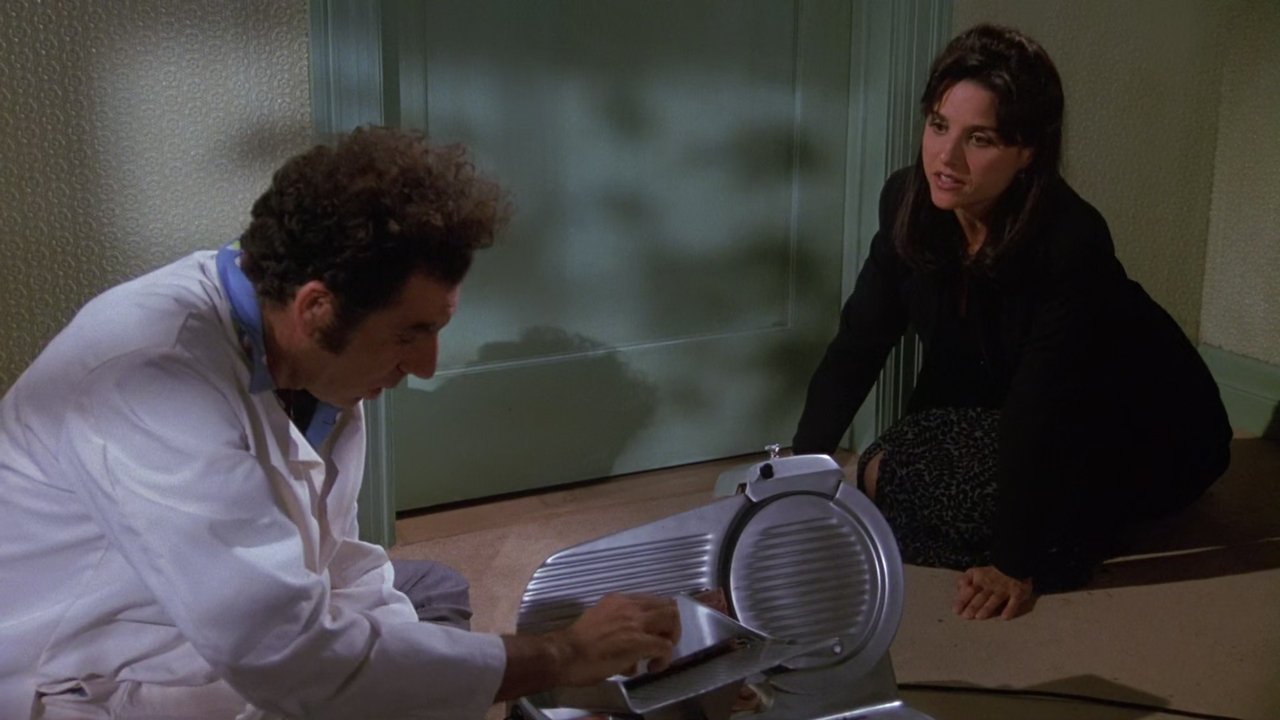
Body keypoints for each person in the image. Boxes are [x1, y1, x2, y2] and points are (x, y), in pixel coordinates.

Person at [0, 126, 679, 719]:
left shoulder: (307, 355)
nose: (426, 367)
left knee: (428, 591)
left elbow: (337, 565)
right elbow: (281, 652)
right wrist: (559, 655)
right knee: (381, 656)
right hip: (83, 671)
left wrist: (426, 670)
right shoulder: (147, 380)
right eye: (410, 334)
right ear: (315, 308)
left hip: (204, 607)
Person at [792, 24, 1231, 621]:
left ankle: (1059, 538)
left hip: (1144, 423)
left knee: (969, 498)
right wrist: (797, 479)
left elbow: (1042, 406)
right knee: (897, 468)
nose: (946, 158)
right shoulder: (909, 202)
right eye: (938, 126)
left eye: (980, 139)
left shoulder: (1070, 239)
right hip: (1017, 411)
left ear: (1027, 152)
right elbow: (858, 344)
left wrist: (1014, 562)